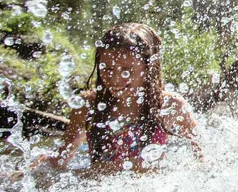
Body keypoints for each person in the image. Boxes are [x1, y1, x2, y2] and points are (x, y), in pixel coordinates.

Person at [34, 23, 198, 173]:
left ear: (148, 68)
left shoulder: (170, 105)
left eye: (127, 70)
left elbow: (203, 157)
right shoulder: (88, 105)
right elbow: (62, 158)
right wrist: (39, 168)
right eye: (108, 69)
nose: (116, 79)